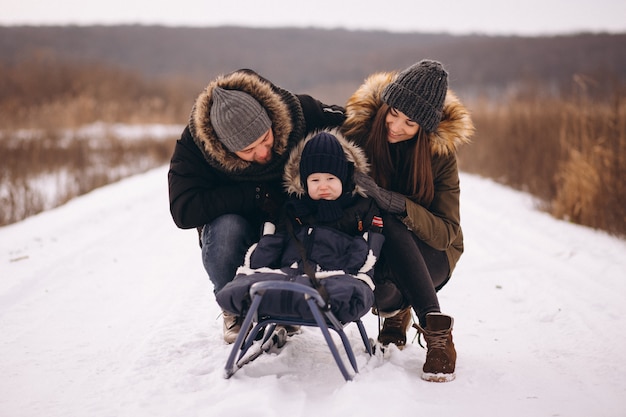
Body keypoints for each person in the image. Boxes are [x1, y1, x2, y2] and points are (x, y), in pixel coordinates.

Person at [168, 69, 345, 343]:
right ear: (224, 148)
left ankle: (287, 303)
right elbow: (183, 210)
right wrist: (255, 194)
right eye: (248, 150)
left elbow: (358, 126)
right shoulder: (196, 145)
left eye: (265, 138)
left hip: (292, 225)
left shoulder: (300, 112)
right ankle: (235, 309)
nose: (263, 153)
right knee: (227, 229)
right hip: (236, 229)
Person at [341, 60, 475, 382]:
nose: (396, 126)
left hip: (431, 253)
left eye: (410, 122)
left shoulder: (439, 155)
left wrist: (399, 205)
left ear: (425, 128)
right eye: (393, 113)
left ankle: (437, 334)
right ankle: (399, 310)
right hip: (373, 246)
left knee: (391, 218)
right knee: (384, 292)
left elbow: (446, 233)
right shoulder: (358, 133)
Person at [215, 131, 384, 329]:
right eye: (315, 180)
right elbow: (272, 246)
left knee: (342, 295)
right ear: (304, 182)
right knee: (238, 291)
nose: (323, 186)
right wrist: (258, 263)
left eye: (331, 178)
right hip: (290, 274)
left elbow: (365, 255)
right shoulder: (293, 209)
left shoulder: (359, 208)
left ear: (344, 179)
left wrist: (354, 268)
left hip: (336, 278)